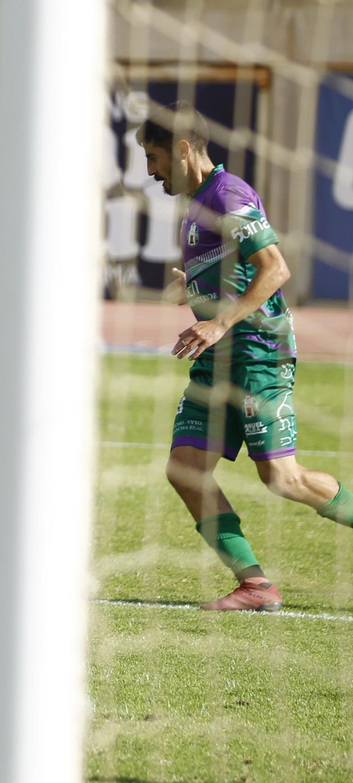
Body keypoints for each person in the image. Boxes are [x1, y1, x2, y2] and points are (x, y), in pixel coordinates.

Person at [142, 101, 353, 612]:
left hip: (258, 356)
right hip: (216, 362)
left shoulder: (228, 195)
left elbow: (274, 269)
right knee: (185, 469)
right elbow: (231, 270)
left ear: (183, 150)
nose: (150, 171)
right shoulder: (198, 203)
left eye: (154, 157)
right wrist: (194, 286)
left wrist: (218, 321)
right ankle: (255, 585)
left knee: (282, 479)